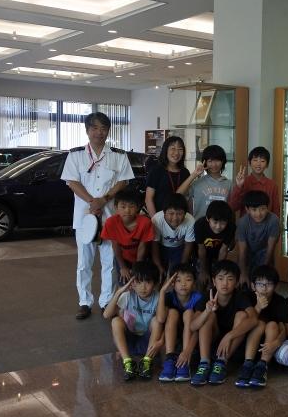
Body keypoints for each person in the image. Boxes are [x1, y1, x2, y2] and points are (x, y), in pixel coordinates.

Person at [61, 112, 134, 320]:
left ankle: (106, 302)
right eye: (94, 128)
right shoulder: (75, 155)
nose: (99, 132)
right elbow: (72, 182)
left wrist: (105, 199)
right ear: (87, 130)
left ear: (108, 131)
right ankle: (84, 302)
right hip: (84, 218)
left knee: (109, 263)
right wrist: (92, 201)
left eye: (103, 128)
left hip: (110, 218)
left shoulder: (119, 155)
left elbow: (124, 181)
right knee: (84, 263)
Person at [189, 260, 258, 386]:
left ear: (236, 282)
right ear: (214, 281)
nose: (225, 283)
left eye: (230, 279)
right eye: (220, 279)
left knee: (242, 315)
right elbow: (193, 326)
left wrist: (229, 336)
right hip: (211, 342)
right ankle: (204, 364)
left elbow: (254, 319)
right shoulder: (207, 296)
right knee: (209, 316)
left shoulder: (240, 296)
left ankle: (221, 363)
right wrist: (207, 311)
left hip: (232, 345)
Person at [102, 261, 163, 381]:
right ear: (132, 282)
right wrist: (119, 292)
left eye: (148, 282)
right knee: (115, 321)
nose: (143, 287)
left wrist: (161, 342)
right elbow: (106, 314)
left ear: (155, 283)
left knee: (157, 321)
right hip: (128, 343)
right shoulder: (128, 295)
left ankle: (146, 362)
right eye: (138, 282)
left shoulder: (158, 297)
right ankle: (127, 362)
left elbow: (162, 321)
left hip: (149, 344)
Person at [235, 265, 288, 388]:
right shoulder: (246, 297)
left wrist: (276, 343)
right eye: (260, 284)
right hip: (245, 345)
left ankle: (262, 366)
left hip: (268, 347)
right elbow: (244, 323)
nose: (264, 288)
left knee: (272, 325)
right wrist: (258, 307)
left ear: (276, 286)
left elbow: (283, 329)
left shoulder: (280, 302)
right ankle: (247, 365)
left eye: (269, 284)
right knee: (258, 323)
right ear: (253, 285)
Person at [156, 264, 204, 382]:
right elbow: (161, 319)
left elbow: (198, 328)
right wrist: (162, 291)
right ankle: (170, 358)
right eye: (178, 280)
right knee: (172, 312)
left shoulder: (199, 298)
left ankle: (185, 363)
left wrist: (187, 352)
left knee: (188, 313)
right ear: (172, 283)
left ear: (194, 283)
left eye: (188, 280)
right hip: (173, 336)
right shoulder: (169, 296)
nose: (183, 284)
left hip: (192, 337)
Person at [101, 189, 155, 283]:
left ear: (137, 207)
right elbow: (115, 246)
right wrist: (123, 267)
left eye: (131, 206)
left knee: (141, 282)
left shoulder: (145, 222)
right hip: (122, 258)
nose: (127, 210)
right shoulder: (111, 223)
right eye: (123, 206)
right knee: (124, 283)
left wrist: (137, 268)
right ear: (116, 208)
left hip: (142, 258)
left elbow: (142, 247)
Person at [236, 190, 280, 286]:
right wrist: (243, 273)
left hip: (265, 253)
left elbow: (270, 248)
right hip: (247, 253)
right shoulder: (242, 223)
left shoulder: (274, 220)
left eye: (262, 209)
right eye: (254, 210)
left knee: (264, 281)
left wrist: (263, 270)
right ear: (247, 209)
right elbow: (242, 250)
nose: (259, 214)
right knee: (244, 281)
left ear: (268, 207)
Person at [151, 193, 195, 278]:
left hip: (179, 248)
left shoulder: (190, 221)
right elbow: (154, 244)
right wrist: (158, 265)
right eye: (171, 213)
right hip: (161, 247)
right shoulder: (156, 219)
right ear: (164, 212)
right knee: (160, 273)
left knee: (176, 274)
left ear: (185, 213)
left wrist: (182, 266)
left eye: (179, 214)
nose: (175, 218)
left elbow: (188, 245)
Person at [183, 145, 233, 220]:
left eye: (217, 160)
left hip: (221, 224)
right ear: (205, 162)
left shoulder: (229, 184)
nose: (214, 164)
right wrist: (194, 174)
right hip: (200, 224)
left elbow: (233, 207)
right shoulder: (197, 183)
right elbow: (180, 195)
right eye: (210, 161)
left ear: (222, 161)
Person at [145, 136, 191, 217]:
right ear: (165, 150)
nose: (176, 153)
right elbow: (149, 199)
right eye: (173, 148)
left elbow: (186, 198)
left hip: (179, 218)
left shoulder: (185, 172)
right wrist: (155, 220)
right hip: (160, 217)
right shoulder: (156, 171)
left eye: (180, 149)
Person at [194, 200, 236, 288]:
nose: (218, 226)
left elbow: (223, 250)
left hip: (217, 255)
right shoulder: (199, 225)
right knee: (201, 280)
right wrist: (203, 271)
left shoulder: (231, 227)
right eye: (215, 222)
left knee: (216, 280)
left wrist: (217, 272)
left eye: (223, 223)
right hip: (201, 254)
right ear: (207, 219)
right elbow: (201, 249)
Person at [228, 147, 281, 216]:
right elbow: (233, 207)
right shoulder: (244, 182)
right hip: (247, 222)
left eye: (262, 161)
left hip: (267, 222)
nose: (258, 164)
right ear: (249, 163)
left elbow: (276, 210)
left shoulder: (272, 185)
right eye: (255, 160)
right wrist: (239, 186)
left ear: (267, 165)